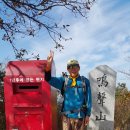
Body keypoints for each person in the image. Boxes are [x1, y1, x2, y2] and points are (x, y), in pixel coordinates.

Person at [45, 50, 92, 130]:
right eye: (70, 67)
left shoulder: (84, 81)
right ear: (67, 69)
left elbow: (88, 99)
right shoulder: (63, 80)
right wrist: (48, 65)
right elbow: (48, 79)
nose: (72, 68)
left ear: (79, 68)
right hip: (67, 117)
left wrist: (88, 114)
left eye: (75, 66)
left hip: (81, 116)